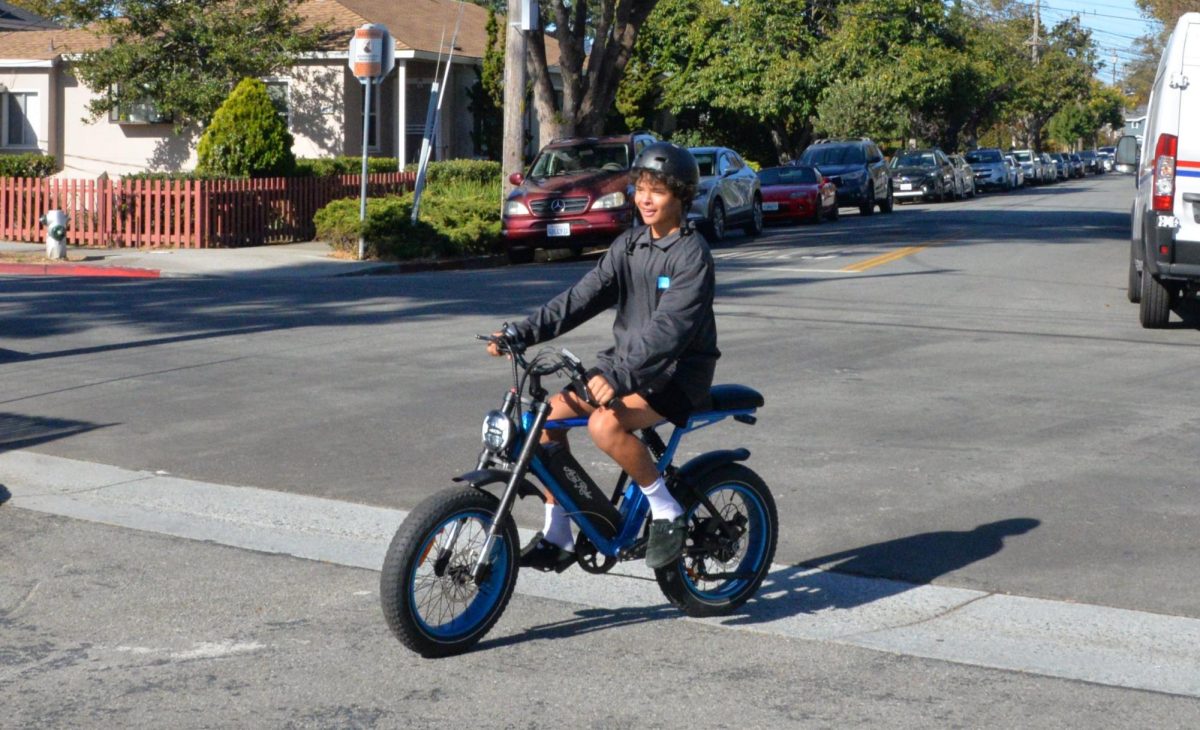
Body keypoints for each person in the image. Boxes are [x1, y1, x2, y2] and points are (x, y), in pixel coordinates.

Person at [486, 141, 720, 571]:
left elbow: (671, 330)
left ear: (682, 196)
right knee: (544, 421)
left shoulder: (692, 256)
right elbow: (581, 298)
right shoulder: (629, 246)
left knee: (604, 425)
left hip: (676, 374)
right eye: (641, 188)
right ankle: (559, 533)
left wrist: (622, 375)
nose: (646, 199)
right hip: (624, 367)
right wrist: (521, 332)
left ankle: (667, 511)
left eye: (658, 191)